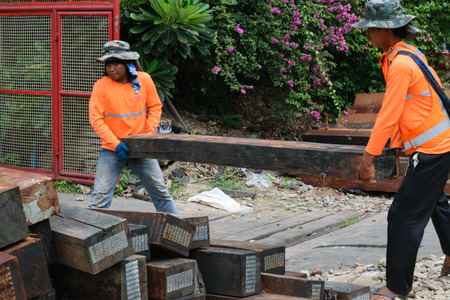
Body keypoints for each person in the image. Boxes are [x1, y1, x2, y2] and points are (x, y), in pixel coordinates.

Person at [353, 0, 450, 298]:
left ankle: (396, 286)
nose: (368, 33)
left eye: (372, 28)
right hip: (441, 143)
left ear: (388, 30)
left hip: (433, 148)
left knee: (403, 215)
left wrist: (368, 158)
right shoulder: (404, 54)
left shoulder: (401, 64)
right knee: (435, 202)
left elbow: (388, 114)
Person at [88, 40, 178, 213]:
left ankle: (177, 230)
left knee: (161, 193)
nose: (111, 69)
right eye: (108, 65)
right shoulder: (101, 86)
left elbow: (155, 107)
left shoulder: (144, 80)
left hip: (141, 148)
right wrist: (115, 144)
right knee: (99, 197)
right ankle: (92, 234)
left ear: (127, 63)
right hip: (113, 149)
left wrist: (147, 136)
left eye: (116, 64)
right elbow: (96, 119)